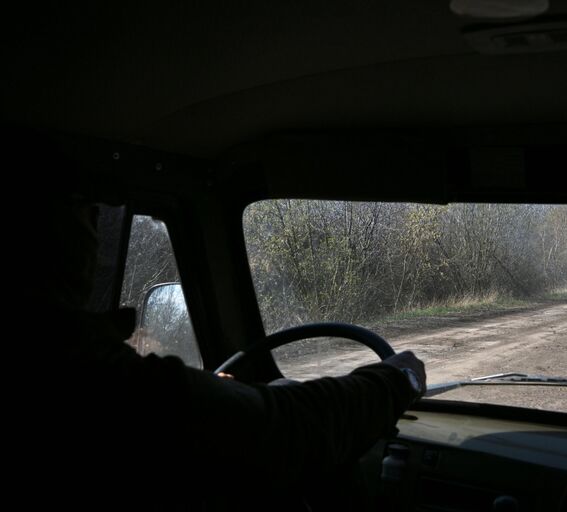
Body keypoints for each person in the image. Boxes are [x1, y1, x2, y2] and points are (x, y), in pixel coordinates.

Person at [9, 126, 426, 506]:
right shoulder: (72, 367)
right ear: (46, 223)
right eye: (85, 208)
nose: (95, 229)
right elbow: (283, 432)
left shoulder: (61, 356)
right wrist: (397, 378)